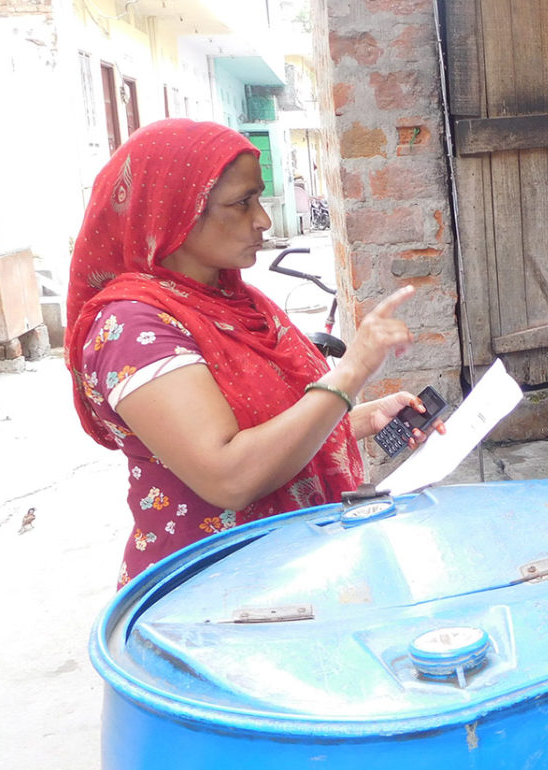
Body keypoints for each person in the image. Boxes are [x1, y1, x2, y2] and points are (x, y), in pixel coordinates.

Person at [65, 119, 441, 588]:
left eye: (258, 199)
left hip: (294, 569)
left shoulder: (238, 301)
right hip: (212, 591)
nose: (262, 219)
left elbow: (272, 424)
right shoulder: (132, 327)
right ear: (175, 213)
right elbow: (229, 478)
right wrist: (351, 372)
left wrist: (363, 418)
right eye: (241, 203)